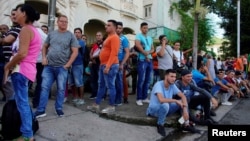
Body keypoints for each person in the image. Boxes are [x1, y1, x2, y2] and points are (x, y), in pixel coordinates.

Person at [3, 4, 41, 141]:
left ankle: (27, 135)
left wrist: (8, 65)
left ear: (24, 13)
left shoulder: (26, 29)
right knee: (21, 102)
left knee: (22, 104)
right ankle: (25, 129)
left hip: (21, 71)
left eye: (17, 12)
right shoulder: (32, 30)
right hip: (26, 71)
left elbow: (22, 53)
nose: (15, 15)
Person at [34, 15, 79, 118]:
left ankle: (58, 108)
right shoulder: (52, 34)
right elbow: (44, 46)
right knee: (44, 88)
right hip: (49, 66)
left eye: (66, 22)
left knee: (61, 89)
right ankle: (41, 110)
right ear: (57, 22)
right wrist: (44, 58)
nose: (64, 23)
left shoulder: (70, 36)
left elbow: (75, 51)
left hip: (62, 68)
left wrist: (67, 65)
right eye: (62, 21)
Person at [146, 69, 199, 137]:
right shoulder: (158, 84)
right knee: (166, 105)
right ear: (166, 76)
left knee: (182, 101)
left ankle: (186, 124)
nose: (174, 79)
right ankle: (160, 124)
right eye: (171, 76)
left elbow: (182, 96)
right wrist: (176, 101)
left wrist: (185, 110)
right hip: (154, 110)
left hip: (166, 109)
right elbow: (161, 100)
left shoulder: (172, 85)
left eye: (175, 77)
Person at [87, 19, 120, 114]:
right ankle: (96, 105)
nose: (106, 26)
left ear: (114, 27)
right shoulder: (109, 37)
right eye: (106, 25)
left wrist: (108, 66)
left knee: (110, 86)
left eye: (109, 25)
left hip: (110, 65)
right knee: (101, 85)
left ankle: (111, 107)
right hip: (103, 64)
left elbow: (114, 53)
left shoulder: (114, 37)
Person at [135, 22, 154, 106]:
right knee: (141, 79)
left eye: (146, 28)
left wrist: (148, 52)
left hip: (149, 60)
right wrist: (144, 52)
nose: (145, 29)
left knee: (148, 80)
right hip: (142, 60)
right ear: (141, 28)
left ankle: (145, 97)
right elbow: (137, 45)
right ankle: (139, 98)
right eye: (144, 28)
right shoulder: (138, 36)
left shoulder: (150, 38)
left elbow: (153, 48)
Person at [31, 22, 48, 108]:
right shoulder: (45, 36)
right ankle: (36, 102)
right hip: (41, 62)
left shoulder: (30, 32)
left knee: (27, 82)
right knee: (40, 83)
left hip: (30, 61)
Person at [114, 21, 130, 105]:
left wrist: (122, 63)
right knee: (115, 81)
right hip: (113, 62)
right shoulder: (113, 37)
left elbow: (127, 52)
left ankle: (122, 98)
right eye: (117, 28)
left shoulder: (124, 39)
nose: (118, 30)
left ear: (122, 29)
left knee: (121, 81)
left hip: (120, 62)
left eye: (120, 28)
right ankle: (116, 97)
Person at [69, 27, 85, 105]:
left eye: (79, 32)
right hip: (71, 64)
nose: (77, 34)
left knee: (79, 82)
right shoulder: (72, 41)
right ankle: (75, 97)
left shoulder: (81, 42)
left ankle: (81, 98)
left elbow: (75, 48)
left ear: (81, 34)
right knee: (72, 82)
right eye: (76, 32)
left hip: (78, 64)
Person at [89, 31, 103, 99]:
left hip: (100, 63)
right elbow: (91, 52)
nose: (98, 37)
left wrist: (93, 57)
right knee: (93, 79)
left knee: (100, 80)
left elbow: (102, 53)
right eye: (97, 35)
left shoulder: (104, 44)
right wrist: (91, 58)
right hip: (93, 64)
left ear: (102, 36)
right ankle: (94, 94)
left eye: (99, 35)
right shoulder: (94, 44)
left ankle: (101, 95)